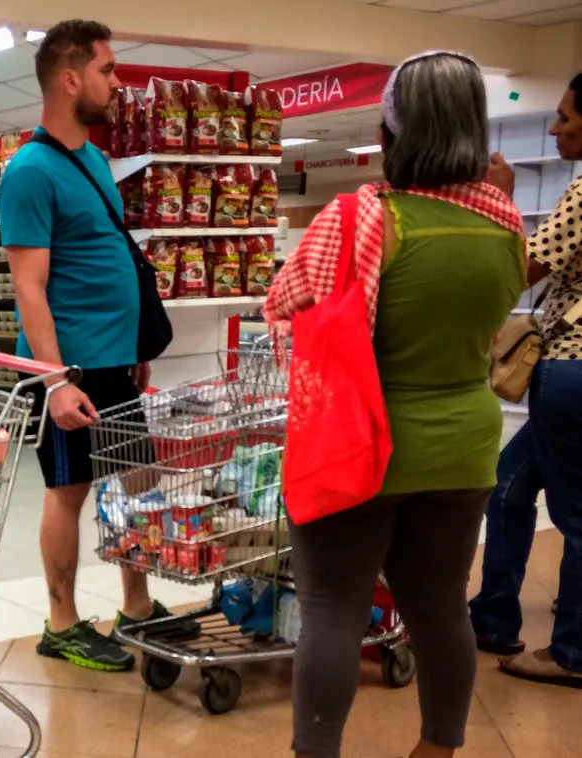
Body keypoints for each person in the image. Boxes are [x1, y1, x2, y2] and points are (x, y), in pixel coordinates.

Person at [265, 53, 526, 758]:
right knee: (440, 603)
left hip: (360, 442)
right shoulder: (503, 224)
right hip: (464, 441)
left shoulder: (355, 220)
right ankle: (437, 747)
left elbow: (288, 312)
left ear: (391, 130)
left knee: (330, 608)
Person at [0, 19, 193, 673]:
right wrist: (55, 382)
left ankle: (135, 607)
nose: (118, 82)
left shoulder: (90, 159)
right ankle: (61, 623)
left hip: (114, 360)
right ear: (69, 78)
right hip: (71, 368)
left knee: (134, 484)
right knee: (70, 491)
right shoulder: (28, 171)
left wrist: (134, 340)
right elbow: (29, 288)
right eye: (108, 70)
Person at [469, 73, 582, 690]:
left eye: (565, 117)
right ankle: (492, 617)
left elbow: (512, 270)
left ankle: (572, 651)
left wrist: (498, 200)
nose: (554, 126)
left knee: (577, 517)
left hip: (571, 369)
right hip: (567, 375)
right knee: (508, 487)